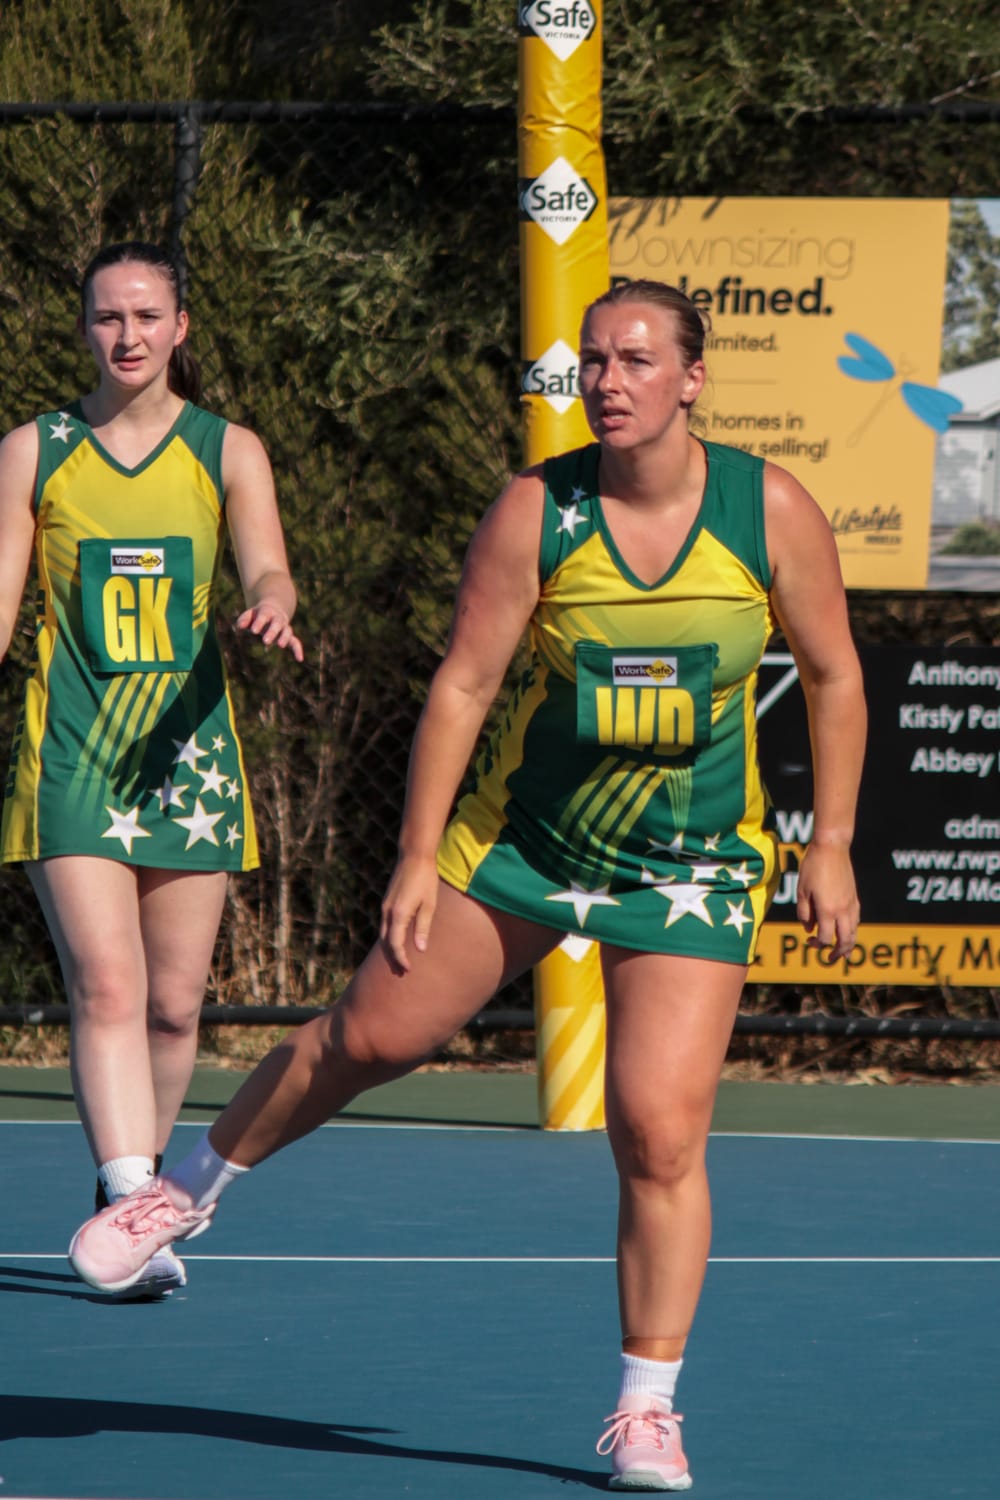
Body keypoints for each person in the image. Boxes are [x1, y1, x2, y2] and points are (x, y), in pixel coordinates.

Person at [68, 278, 865, 1487]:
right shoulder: (538, 510)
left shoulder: (771, 512)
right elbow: (461, 687)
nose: (609, 380)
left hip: (687, 870)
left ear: (693, 379)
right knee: (366, 1039)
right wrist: (412, 856)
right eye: (593, 360)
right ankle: (181, 1191)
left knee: (658, 1133)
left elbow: (834, 676)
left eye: (637, 360)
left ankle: (647, 1406)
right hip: (517, 847)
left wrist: (831, 844)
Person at [0, 240, 303, 1299]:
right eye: (106, 317)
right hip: (75, 754)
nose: (125, 335)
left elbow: (267, 561)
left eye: (145, 316)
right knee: (110, 982)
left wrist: (271, 600)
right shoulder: (35, 449)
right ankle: (132, 1192)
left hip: (191, 760)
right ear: (83, 329)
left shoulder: (229, 449)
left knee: (175, 1007)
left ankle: (128, 1202)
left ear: (181, 329)